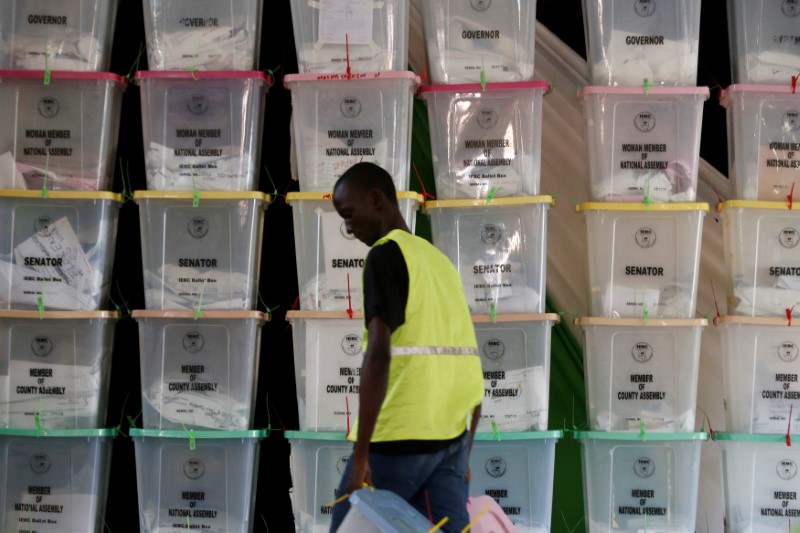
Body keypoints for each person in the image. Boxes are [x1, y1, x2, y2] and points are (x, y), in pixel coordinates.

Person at [328, 162, 484, 532]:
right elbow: (466, 355)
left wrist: (362, 454)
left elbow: (378, 354)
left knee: (351, 524)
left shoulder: (385, 255)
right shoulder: (437, 260)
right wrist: (464, 454)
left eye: (349, 215)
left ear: (376, 199)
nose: (349, 228)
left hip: (398, 439)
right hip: (451, 436)